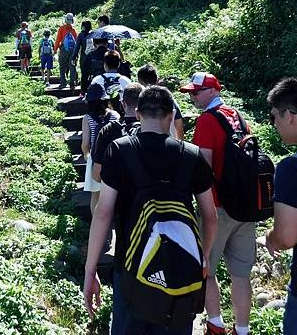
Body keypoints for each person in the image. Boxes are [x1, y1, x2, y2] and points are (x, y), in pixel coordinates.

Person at [83, 85, 217, 334]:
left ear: (138, 114)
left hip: (131, 269)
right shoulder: (191, 155)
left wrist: (90, 270)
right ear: (170, 116)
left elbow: (103, 213)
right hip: (181, 272)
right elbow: (210, 216)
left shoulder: (120, 150)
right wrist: (204, 257)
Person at [180, 72, 256, 335]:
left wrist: (203, 209)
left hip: (217, 209)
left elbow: (203, 168)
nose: (192, 97)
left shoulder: (207, 122)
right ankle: (243, 330)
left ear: (213, 91)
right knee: (241, 274)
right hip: (245, 208)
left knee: (207, 270)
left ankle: (215, 325)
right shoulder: (239, 118)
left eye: (196, 92)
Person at [263, 78, 297, 335]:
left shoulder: (292, 168)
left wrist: (270, 237)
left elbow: (286, 236)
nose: (274, 123)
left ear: (290, 115)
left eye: (275, 115)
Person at [82, 83, 120, 216]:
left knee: (95, 196)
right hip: (114, 157)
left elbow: (85, 144)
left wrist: (89, 158)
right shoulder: (115, 115)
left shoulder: (87, 118)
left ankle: (97, 224)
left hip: (95, 157)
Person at [92, 82, 143, 183]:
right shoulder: (152, 128)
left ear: (123, 103)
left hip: (118, 195)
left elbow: (97, 175)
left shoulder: (108, 130)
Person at [137, 63, 184, 140]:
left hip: (143, 146)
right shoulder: (169, 99)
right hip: (169, 144)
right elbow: (179, 127)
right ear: (157, 80)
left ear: (139, 81)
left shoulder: (137, 101)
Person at [54, 13, 78, 90]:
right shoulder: (73, 30)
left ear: (65, 19)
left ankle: (63, 83)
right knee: (72, 66)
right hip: (73, 51)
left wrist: (55, 50)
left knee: (62, 66)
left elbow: (58, 40)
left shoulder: (62, 28)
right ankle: (72, 83)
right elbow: (76, 42)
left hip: (64, 50)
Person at [72, 20, 93, 95]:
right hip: (93, 57)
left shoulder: (81, 35)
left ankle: (83, 92)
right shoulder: (94, 34)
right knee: (92, 74)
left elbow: (77, 47)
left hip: (84, 58)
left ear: (83, 26)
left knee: (84, 75)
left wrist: (73, 57)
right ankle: (91, 91)